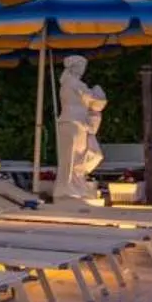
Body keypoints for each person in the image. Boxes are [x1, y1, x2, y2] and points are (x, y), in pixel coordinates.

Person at [55, 55, 108, 203]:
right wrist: (98, 90)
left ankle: (75, 186)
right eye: (81, 66)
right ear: (74, 67)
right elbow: (95, 98)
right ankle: (69, 189)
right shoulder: (73, 83)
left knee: (78, 156)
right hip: (73, 122)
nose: (83, 70)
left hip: (77, 123)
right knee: (73, 157)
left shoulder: (73, 83)